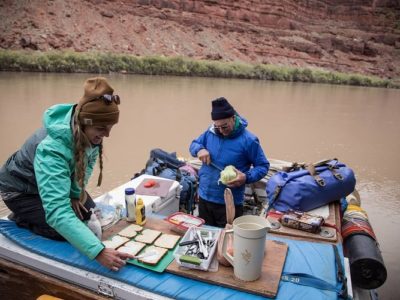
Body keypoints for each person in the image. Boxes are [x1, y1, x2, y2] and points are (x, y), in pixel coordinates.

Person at [0, 77, 134, 271]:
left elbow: (85, 166)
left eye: (110, 128)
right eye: (101, 129)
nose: (107, 134)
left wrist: (74, 194)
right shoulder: (52, 149)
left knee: (90, 214)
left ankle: (38, 211)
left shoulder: (89, 134)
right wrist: (98, 252)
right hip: (22, 191)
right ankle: (23, 217)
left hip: (48, 183)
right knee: (69, 230)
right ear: (85, 122)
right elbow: (57, 211)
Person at [189, 97, 270, 227]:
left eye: (224, 126)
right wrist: (199, 150)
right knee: (205, 235)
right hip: (204, 197)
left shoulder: (249, 140)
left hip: (229, 202)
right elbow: (194, 144)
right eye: (217, 127)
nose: (221, 130)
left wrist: (246, 177)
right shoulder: (210, 132)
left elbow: (263, 166)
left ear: (233, 118)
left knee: (227, 240)